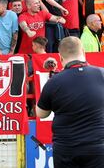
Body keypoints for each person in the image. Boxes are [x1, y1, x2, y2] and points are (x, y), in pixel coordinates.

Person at [37, 36, 104, 167]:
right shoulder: (102, 74)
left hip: (66, 148)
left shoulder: (54, 82)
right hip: (98, 147)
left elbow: (41, 113)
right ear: (83, 52)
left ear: (60, 57)